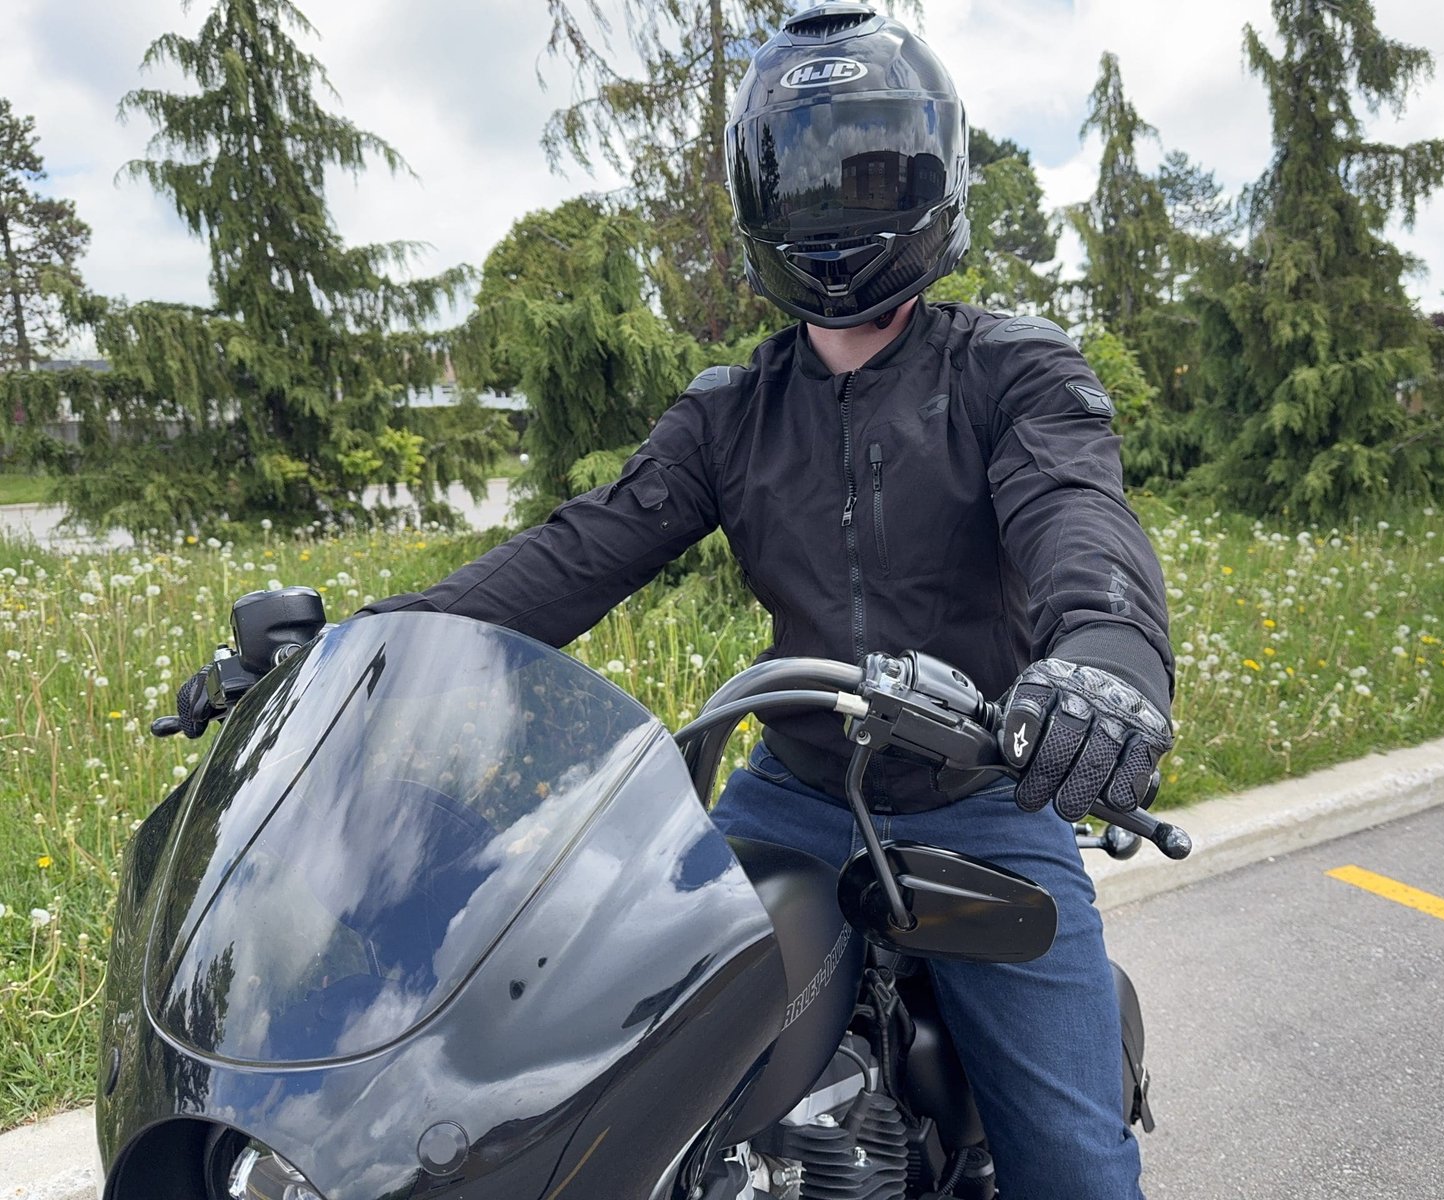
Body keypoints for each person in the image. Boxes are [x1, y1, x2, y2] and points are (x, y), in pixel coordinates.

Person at [177, 5, 1173, 1195]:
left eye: (866, 169)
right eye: (803, 174)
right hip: (798, 792)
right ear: (760, 194)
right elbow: (569, 555)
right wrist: (352, 653)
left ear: (931, 174)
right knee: (595, 1056)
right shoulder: (729, 412)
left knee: (1071, 1160)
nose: (832, 205)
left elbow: (1077, 514)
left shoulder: (1012, 370)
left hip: (980, 796)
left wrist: (1105, 657)